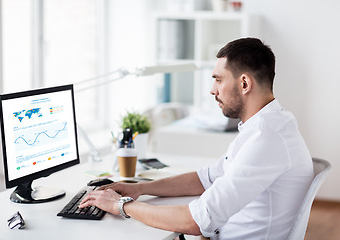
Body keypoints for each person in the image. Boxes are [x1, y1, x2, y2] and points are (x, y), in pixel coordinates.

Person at [79, 38, 314, 239]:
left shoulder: (267, 137)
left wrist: (121, 206)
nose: (212, 90)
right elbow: (207, 178)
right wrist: (141, 189)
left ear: (244, 83)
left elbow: (197, 220)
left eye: (218, 79)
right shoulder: (265, 125)